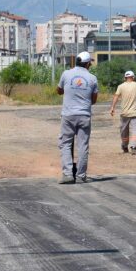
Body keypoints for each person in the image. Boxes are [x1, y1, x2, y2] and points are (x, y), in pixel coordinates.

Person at [56, 52, 99, 184]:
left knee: (65, 144)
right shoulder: (92, 78)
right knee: (83, 146)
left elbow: (59, 90)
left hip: (68, 115)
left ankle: (68, 174)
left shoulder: (66, 74)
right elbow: (94, 100)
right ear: (87, 64)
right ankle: (81, 176)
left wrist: (70, 91)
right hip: (84, 115)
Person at [109, 70, 136, 154]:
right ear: (133, 77)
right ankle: (133, 146)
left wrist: (112, 107)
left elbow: (116, 96)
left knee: (124, 131)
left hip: (124, 113)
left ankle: (125, 146)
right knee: (134, 131)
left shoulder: (120, 86)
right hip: (135, 113)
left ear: (125, 78)